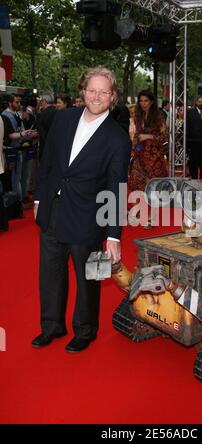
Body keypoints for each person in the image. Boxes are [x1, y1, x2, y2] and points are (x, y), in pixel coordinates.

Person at [32, 66, 131, 352]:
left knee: (90, 277)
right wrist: (39, 199)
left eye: (103, 92)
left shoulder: (117, 138)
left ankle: (86, 330)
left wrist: (114, 235)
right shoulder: (63, 119)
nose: (96, 96)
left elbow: (117, 187)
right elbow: (47, 161)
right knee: (49, 273)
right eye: (91, 90)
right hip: (53, 208)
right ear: (83, 91)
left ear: (113, 97)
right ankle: (52, 326)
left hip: (89, 216)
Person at [129, 89, 168, 193]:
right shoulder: (138, 115)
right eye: (141, 101)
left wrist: (149, 136)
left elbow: (164, 136)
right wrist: (133, 150)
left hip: (153, 155)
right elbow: (137, 135)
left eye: (146, 101)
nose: (143, 103)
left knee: (155, 187)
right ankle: (141, 207)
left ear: (152, 102)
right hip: (139, 153)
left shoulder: (158, 116)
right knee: (137, 184)